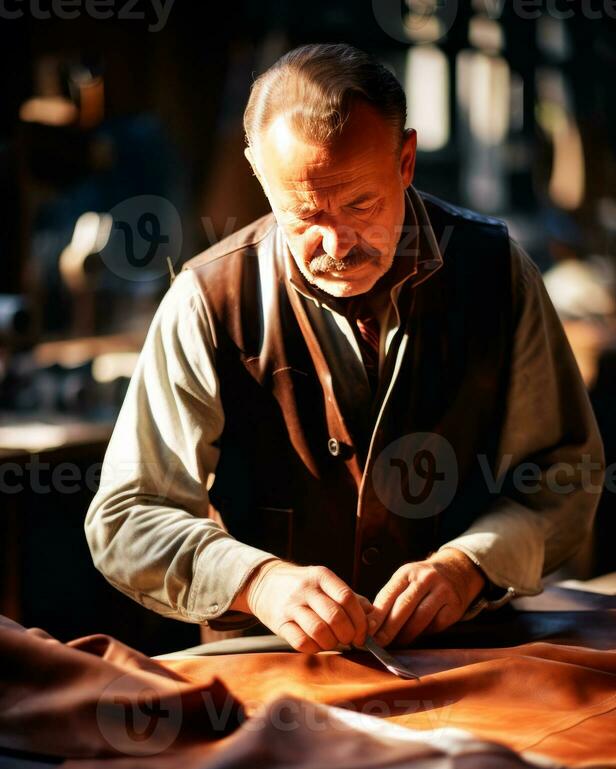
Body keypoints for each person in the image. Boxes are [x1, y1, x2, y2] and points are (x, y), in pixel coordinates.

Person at [85, 43, 604, 654]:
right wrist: (259, 582)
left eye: (361, 204)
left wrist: (472, 565)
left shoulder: (495, 274)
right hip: (275, 661)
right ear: (258, 172)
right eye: (303, 215)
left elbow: (566, 476)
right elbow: (128, 517)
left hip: (468, 649)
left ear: (405, 160)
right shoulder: (208, 298)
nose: (336, 243)